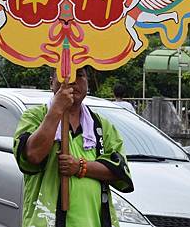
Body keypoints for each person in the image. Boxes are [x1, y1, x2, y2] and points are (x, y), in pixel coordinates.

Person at [13, 67, 133, 227]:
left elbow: (120, 171)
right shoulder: (35, 117)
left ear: (87, 84)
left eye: (80, 75)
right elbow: (32, 155)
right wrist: (56, 109)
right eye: (64, 75)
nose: (72, 80)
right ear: (51, 83)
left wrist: (80, 167)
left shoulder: (101, 125)